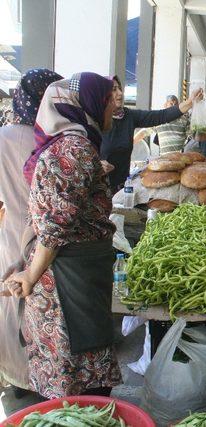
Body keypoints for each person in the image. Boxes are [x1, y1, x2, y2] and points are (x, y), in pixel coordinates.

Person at [5, 72, 123, 399]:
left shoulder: (71, 143)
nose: (114, 104)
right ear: (82, 104)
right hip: (66, 278)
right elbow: (54, 229)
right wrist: (30, 273)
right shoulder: (74, 147)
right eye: (106, 98)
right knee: (78, 370)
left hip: (71, 269)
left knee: (75, 366)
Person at [0, 68, 62, 397]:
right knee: (43, 308)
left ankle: (16, 378)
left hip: (12, 233)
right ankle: (43, 380)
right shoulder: (53, 136)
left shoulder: (4, 137)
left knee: (12, 304)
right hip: (47, 239)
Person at [100, 76, 202, 193]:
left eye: (119, 88)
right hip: (98, 190)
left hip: (122, 189)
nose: (120, 93)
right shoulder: (94, 120)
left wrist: (190, 102)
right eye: (113, 89)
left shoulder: (129, 116)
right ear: (103, 94)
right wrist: (95, 165)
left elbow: (161, 116)